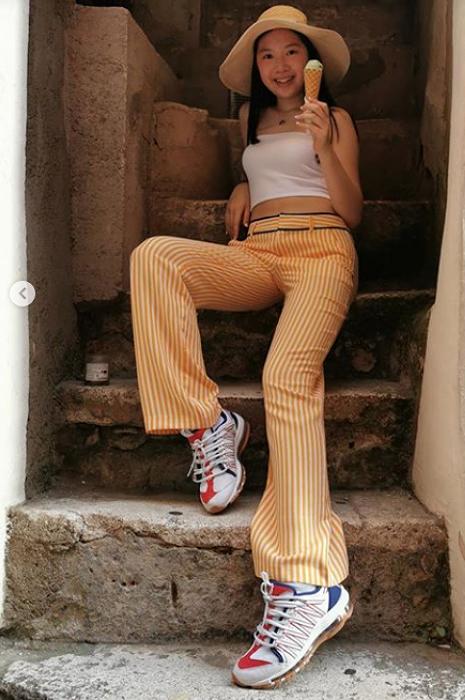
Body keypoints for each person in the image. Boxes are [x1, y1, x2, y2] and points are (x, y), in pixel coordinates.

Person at [129, 4, 362, 689]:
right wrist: (242, 184)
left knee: (286, 378)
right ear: (256, 67)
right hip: (259, 250)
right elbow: (268, 174)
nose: (280, 65)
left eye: (291, 52)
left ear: (310, 62)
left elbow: (351, 210)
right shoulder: (249, 123)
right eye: (267, 54)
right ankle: (208, 424)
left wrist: (323, 145)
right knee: (155, 258)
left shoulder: (335, 118)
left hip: (324, 250)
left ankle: (307, 583)